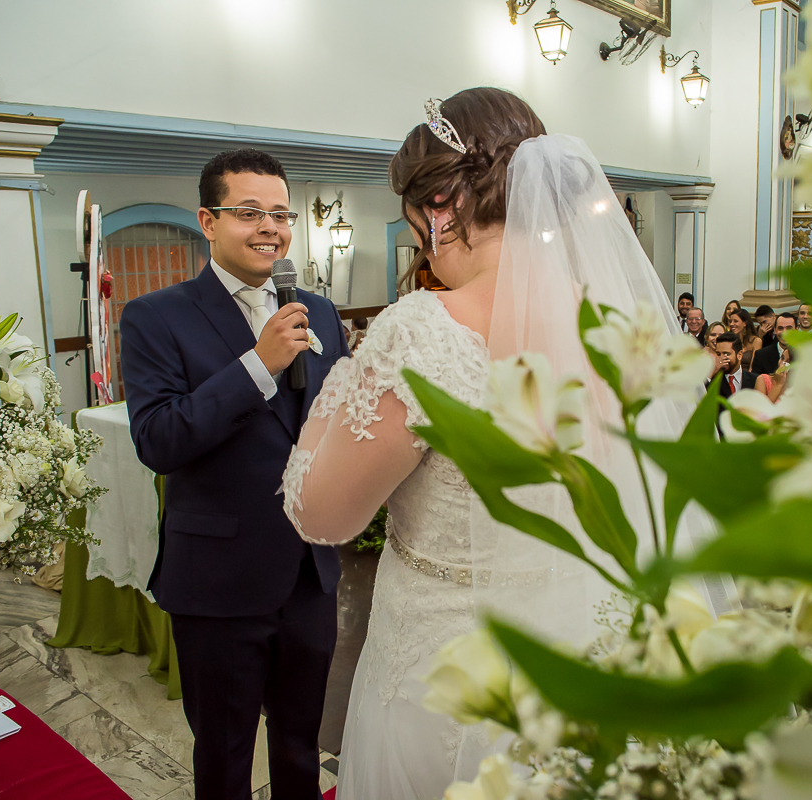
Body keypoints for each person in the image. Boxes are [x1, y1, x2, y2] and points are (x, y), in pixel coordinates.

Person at [279, 89, 730, 800]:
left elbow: (322, 516)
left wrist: (328, 396)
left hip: (448, 668)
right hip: (582, 646)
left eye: (417, 226)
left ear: (440, 209)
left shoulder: (422, 329)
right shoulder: (612, 320)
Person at [120, 149, 350, 800]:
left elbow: (334, 422)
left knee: (301, 751)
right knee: (223, 760)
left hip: (310, 576)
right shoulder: (155, 318)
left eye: (280, 214)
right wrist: (258, 365)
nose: (269, 228)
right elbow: (159, 440)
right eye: (249, 212)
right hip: (218, 584)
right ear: (208, 220)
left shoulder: (320, 314)